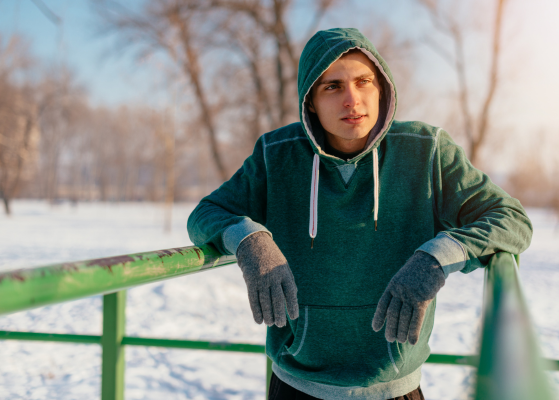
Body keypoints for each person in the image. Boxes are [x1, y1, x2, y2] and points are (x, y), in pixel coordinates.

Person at [187, 28, 532, 400]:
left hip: (394, 388)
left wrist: (437, 257)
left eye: (363, 81)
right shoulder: (277, 154)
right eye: (332, 87)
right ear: (311, 102)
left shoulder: (427, 151)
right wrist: (250, 242)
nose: (352, 99)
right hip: (295, 386)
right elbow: (205, 214)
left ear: (381, 88)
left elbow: (511, 220)